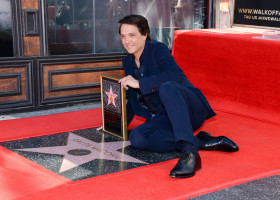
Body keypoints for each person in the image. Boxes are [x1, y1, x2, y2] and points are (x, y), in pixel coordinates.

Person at [118, 15, 238, 178]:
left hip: (188, 108)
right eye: (123, 36)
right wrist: (118, 122)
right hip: (164, 116)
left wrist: (140, 83)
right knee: (137, 137)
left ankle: (191, 154)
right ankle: (200, 141)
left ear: (144, 34)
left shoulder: (157, 49)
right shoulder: (128, 61)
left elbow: (173, 75)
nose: (127, 41)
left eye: (132, 35)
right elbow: (133, 95)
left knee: (167, 87)